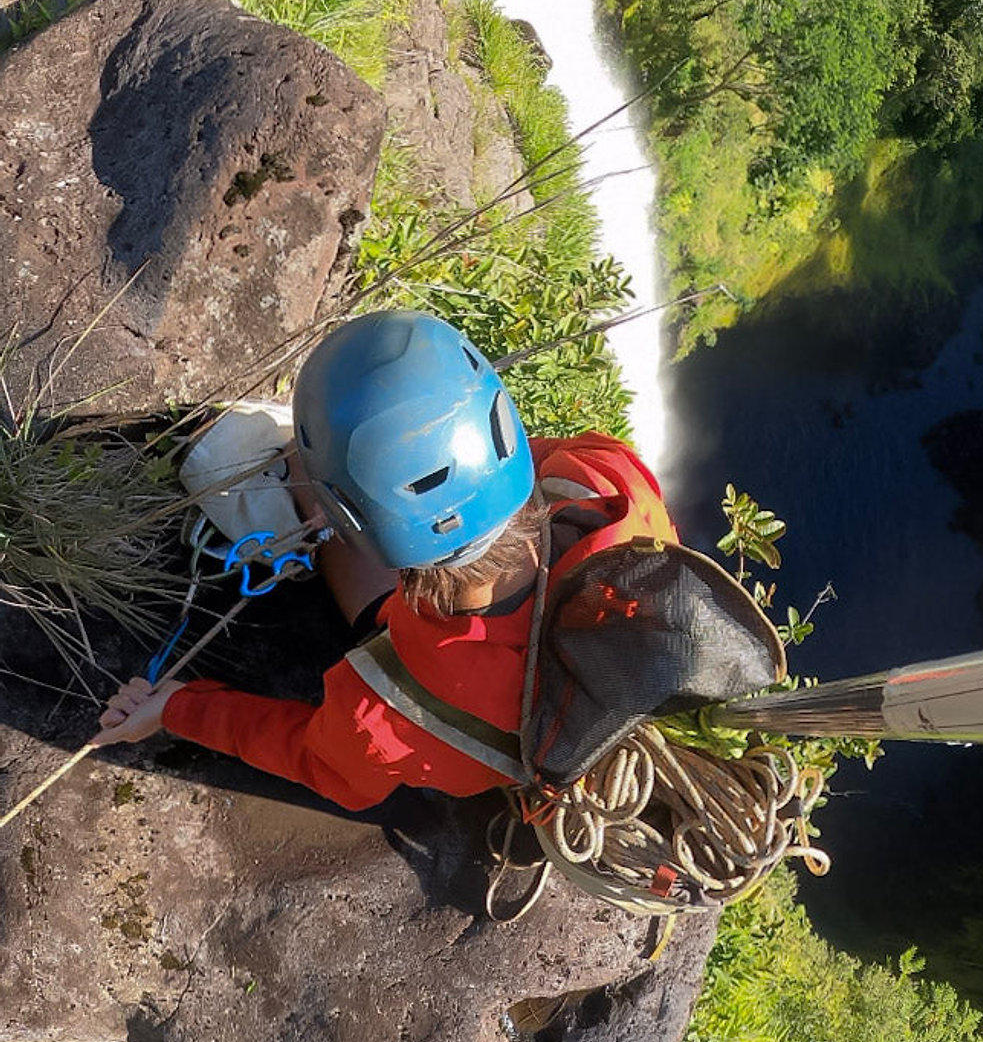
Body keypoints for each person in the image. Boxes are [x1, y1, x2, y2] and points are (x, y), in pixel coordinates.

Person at [91, 311, 684, 811]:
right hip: (608, 681)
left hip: (459, 681)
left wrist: (177, 708)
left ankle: (300, 473)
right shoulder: (609, 483)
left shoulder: (388, 704)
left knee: (296, 464)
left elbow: (325, 765)